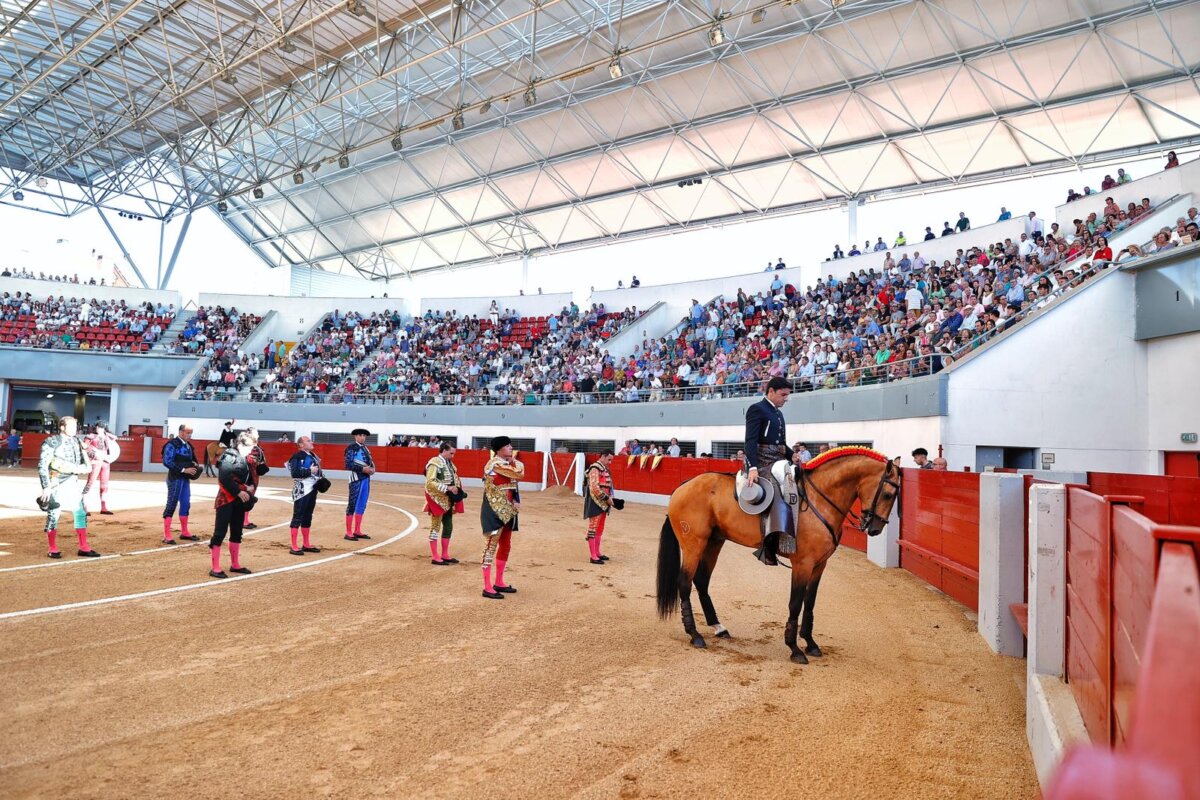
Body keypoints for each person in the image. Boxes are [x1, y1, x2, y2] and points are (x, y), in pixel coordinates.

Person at [743, 376, 792, 566]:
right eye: (783, 395)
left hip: (779, 459)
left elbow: (780, 443)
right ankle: (768, 544)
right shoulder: (757, 409)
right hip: (762, 461)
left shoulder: (777, 413)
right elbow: (750, 441)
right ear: (771, 391)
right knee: (775, 490)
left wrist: (792, 455)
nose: (785, 399)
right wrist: (753, 468)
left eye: (787, 395)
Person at [37, 416, 98, 559]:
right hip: (56, 481)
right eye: (71, 426)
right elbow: (42, 466)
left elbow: (87, 459)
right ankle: (52, 547)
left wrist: (88, 450)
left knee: (80, 513)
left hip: (72, 480)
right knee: (54, 514)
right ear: (62, 427)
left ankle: (83, 547)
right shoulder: (51, 442)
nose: (75, 429)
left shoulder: (77, 441)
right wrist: (46, 487)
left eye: (75, 426)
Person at [480, 435, 524, 599]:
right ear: (499, 450)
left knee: (506, 545)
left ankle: (499, 581)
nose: (511, 448)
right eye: (507, 446)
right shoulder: (494, 464)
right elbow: (519, 473)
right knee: (491, 546)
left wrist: (517, 500)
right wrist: (514, 463)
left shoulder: (507, 463)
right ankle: (487, 586)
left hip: (509, 509)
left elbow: (515, 483)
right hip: (495, 510)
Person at [209, 432, 256, 579]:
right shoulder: (229, 456)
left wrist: (248, 487)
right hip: (226, 499)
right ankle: (215, 567)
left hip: (237, 500)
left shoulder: (242, 457)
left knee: (236, 531)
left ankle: (235, 564)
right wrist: (238, 491)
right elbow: (224, 477)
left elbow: (247, 476)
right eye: (250, 447)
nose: (251, 450)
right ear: (241, 444)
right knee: (220, 532)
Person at [425, 442, 465, 565]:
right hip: (437, 499)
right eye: (451, 453)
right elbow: (430, 482)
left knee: (448, 526)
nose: (453, 456)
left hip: (448, 500)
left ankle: (445, 554)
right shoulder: (435, 462)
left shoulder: (450, 464)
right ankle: (435, 556)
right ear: (443, 450)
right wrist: (448, 488)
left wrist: (457, 490)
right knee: (435, 527)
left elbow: (455, 479)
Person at [162, 424, 201, 544]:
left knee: (185, 504)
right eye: (188, 432)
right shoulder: (172, 444)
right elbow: (167, 461)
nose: (190, 435)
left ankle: (184, 531)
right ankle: (167, 534)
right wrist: (184, 470)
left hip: (185, 479)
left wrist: (194, 465)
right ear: (181, 432)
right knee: (171, 504)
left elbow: (191, 460)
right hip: (175, 478)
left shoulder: (188, 445)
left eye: (191, 432)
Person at [584, 450, 623, 564]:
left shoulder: (603, 468)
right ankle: (593, 556)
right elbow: (594, 488)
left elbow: (606, 487)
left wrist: (610, 499)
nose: (610, 462)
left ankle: (597, 552)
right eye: (609, 459)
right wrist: (607, 499)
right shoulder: (595, 468)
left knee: (600, 528)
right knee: (593, 528)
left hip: (603, 503)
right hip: (595, 502)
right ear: (603, 457)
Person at [286, 436, 323, 556]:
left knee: (308, 516)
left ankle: (306, 544)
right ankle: (294, 545)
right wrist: (309, 471)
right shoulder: (297, 457)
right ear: (301, 445)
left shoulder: (312, 455)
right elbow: (294, 473)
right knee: (298, 516)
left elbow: (318, 471)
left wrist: (321, 479)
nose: (311, 442)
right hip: (301, 490)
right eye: (308, 441)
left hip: (312, 489)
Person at [344, 428, 375, 540]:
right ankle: (348, 532)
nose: (362, 437)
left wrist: (371, 469)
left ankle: (357, 530)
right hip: (356, 479)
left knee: (362, 504)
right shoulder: (351, 448)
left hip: (366, 479)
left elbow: (370, 463)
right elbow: (348, 465)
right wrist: (363, 469)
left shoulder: (365, 448)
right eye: (360, 435)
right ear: (355, 436)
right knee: (352, 504)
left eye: (364, 436)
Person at [82, 422, 119, 515]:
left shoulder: (107, 436)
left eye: (102, 428)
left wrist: (105, 433)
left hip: (105, 462)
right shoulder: (91, 436)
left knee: (104, 485)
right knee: (90, 483)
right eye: (99, 427)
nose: (100, 429)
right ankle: (85, 507)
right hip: (96, 461)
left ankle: (104, 507)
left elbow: (115, 438)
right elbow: (84, 447)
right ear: (96, 428)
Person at [242, 427, 267, 530]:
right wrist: (258, 462)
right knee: (246, 497)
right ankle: (242, 520)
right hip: (247, 475)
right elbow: (248, 460)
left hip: (254, 474)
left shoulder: (255, 446)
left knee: (250, 496)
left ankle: (245, 520)